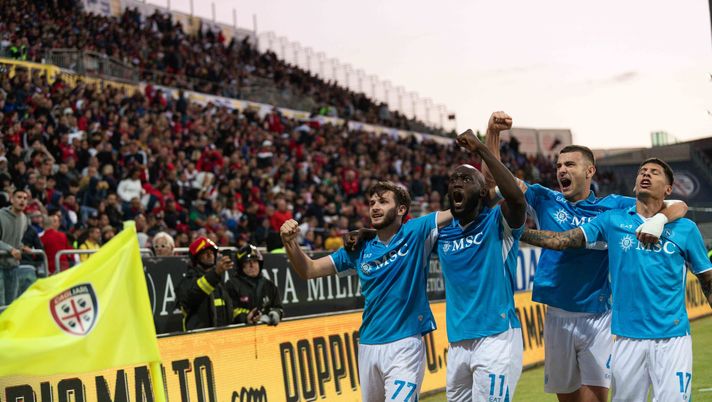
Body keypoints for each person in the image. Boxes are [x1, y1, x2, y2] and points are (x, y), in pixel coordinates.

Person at [486, 133, 688, 402]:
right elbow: (498, 180)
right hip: (557, 316)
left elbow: (678, 204)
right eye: (558, 166)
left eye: (569, 164)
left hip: (598, 318)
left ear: (590, 170)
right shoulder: (544, 197)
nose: (561, 171)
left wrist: (659, 219)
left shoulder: (613, 207)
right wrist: (491, 135)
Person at [520, 158, 712, 401]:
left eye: (654, 172)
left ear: (668, 189)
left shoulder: (686, 229)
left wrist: (661, 219)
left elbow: (707, 280)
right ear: (634, 186)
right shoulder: (614, 220)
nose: (646, 174)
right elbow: (562, 240)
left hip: (673, 339)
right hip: (626, 339)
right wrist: (518, 232)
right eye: (642, 171)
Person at [281, 175, 459, 399]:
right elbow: (309, 270)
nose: (375, 207)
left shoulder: (415, 232)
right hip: (368, 345)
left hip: (406, 344)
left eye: (383, 202)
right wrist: (290, 242)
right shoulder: (358, 249)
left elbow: (458, 209)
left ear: (401, 209)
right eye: (372, 202)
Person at [176, 236, 235, 331]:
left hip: (221, 336)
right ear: (196, 257)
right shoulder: (189, 280)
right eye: (205, 253)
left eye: (212, 252)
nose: (210, 255)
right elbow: (192, 296)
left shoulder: (218, 281)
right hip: (199, 339)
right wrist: (215, 274)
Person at [227, 244, 283, 326]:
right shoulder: (231, 285)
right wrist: (247, 317)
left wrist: (276, 313)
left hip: (265, 332)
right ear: (240, 266)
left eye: (255, 261)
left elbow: (278, 307)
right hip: (241, 332)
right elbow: (229, 311)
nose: (252, 265)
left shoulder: (269, 285)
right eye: (247, 262)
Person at [0, 189, 30, 305]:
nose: (22, 200)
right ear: (12, 199)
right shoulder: (1, 215)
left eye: (25, 198)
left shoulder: (24, 219)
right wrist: (10, 249)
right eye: (19, 197)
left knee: (11, 304)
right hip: (0, 264)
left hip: (13, 265)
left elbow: (16, 241)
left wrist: (22, 247)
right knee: (1, 304)